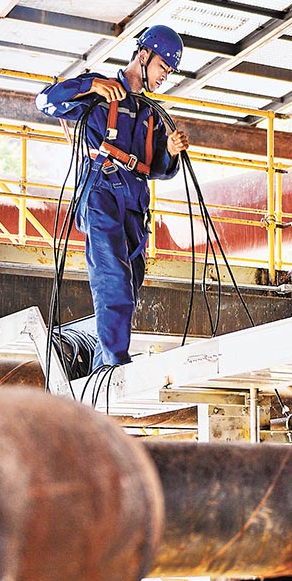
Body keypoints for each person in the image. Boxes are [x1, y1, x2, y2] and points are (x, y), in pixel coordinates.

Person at [36, 25, 189, 369]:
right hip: (101, 195)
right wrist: (89, 85)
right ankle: (114, 362)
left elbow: (157, 169)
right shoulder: (101, 93)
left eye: (169, 71)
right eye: (164, 67)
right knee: (114, 279)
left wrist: (170, 150)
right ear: (144, 55)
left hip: (134, 203)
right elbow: (46, 101)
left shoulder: (151, 114)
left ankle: (98, 350)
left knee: (132, 282)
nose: (166, 76)